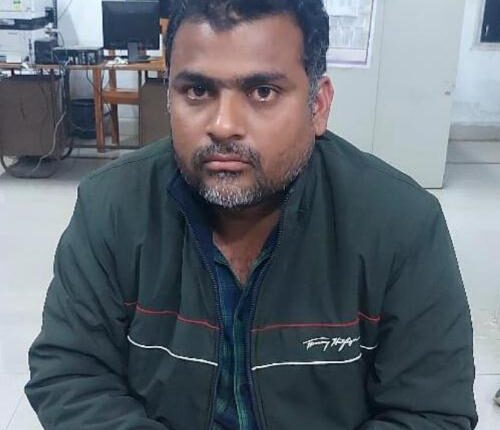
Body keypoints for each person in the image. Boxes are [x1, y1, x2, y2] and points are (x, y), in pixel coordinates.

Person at [25, 1, 477, 429]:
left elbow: (431, 411)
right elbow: (70, 374)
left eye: (263, 92)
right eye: (197, 90)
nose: (223, 125)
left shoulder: (400, 225)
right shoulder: (111, 208)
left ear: (318, 106)